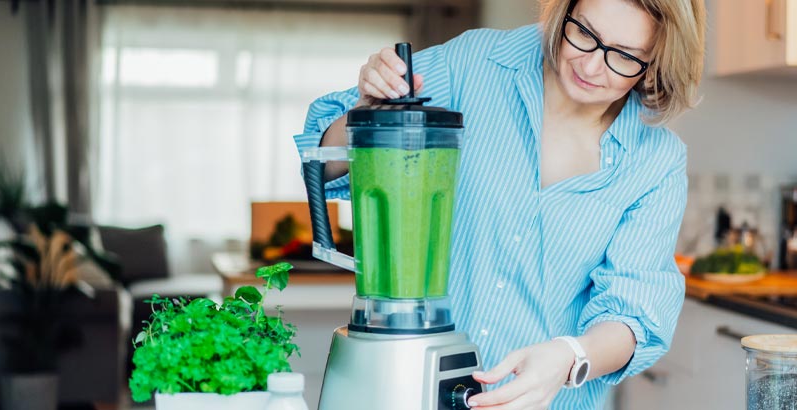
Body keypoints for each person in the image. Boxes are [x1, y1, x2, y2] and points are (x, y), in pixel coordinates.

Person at [298, 0, 705, 408]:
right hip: (408, 390)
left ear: (656, 61)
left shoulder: (656, 161)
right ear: (565, 11)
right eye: (584, 33)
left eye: (624, 56)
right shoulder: (473, 63)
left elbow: (633, 317)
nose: (592, 66)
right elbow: (327, 164)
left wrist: (570, 356)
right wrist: (368, 112)